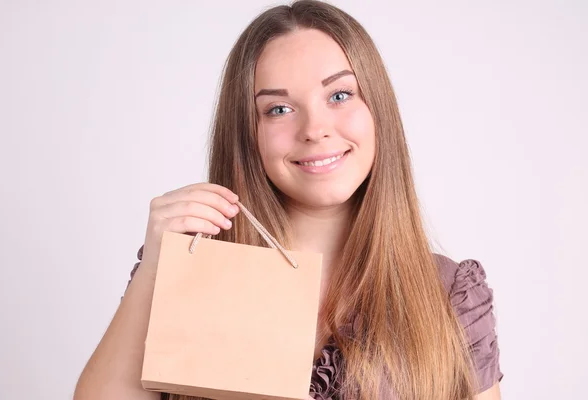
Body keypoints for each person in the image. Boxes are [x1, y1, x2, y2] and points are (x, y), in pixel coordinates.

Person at [74, 1, 503, 399]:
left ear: (378, 109)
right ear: (247, 133)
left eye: (339, 95)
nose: (315, 129)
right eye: (278, 109)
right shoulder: (191, 267)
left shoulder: (448, 295)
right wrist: (155, 267)